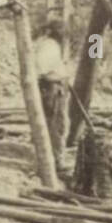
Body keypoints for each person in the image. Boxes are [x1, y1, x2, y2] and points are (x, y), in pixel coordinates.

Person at [33, 19, 70, 172]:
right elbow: (42, 72)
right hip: (52, 89)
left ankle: (53, 158)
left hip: (55, 87)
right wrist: (59, 77)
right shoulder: (49, 46)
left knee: (57, 124)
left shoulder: (49, 45)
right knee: (57, 125)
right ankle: (56, 161)